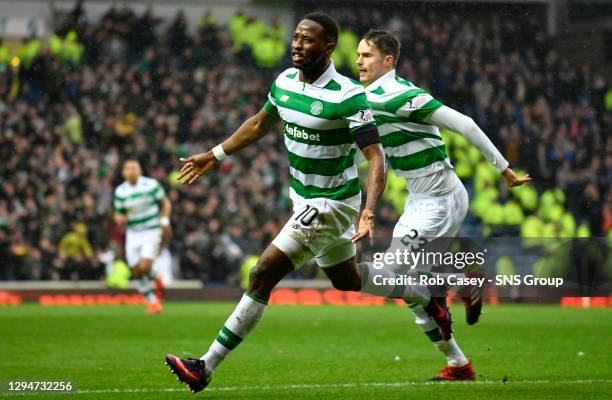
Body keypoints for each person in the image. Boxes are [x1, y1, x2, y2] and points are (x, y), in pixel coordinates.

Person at [164, 13, 449, 393]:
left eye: (308, 40)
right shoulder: (283, 82)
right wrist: (215, 154)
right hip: (304, 199)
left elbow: (376, 158)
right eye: (296, 37)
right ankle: (423, 295)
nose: (297, 44)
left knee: (262, 273)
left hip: (332, 203)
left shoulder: (347, 96)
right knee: (346, 279)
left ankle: (205, 366)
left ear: (328, 47)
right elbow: (259, 124)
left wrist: (368, 210)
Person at [356, 29, 532, 380]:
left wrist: (504, 169)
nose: (359, 61)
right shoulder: (366, 98)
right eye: (359, 55)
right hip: (425, 198)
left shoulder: (403, 95)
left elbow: (464, 124)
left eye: (367, 55)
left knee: (388, 275)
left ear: (388, 61)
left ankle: (455, 286)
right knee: (410, 290)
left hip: (438, 200)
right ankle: (458, 364)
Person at [113, 159, 171, 314]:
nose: (131, 171)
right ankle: (153, 301)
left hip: (151, 230)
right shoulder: (120, 191)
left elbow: (165, 203)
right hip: (133, 233)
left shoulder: (151, 185)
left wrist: (164, 221)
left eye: (134, 168)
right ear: (123, 173)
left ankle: (153, 280)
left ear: (140, 171)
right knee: (136, 271)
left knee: (144, 266)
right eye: (128, 168)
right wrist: (119, 218)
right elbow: (119, 213)